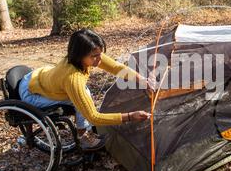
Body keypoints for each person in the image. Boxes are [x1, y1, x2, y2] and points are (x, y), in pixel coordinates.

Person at [18, 29, 152, 151]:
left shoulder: (88, 54)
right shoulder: (73, 78)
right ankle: (83, 137)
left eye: (101, 54)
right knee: (81, 98)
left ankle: (83, 131)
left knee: (84, 94)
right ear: (79, 55)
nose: (100, 59)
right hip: (32, 92)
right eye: (94, 56)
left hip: (37, 77)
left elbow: (116, 67)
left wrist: (142, 80)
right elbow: (94, 117)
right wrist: (130, 116)